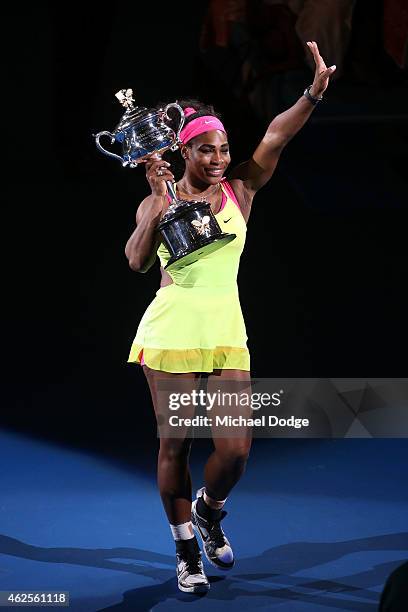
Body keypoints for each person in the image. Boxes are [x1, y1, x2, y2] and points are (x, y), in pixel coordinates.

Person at [125, 41, 336, 594]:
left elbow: (277, 135)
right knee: (175, 444)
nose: (220, 159)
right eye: (208, 152)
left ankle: (209, 509)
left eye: (224, 150)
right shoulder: (159, 197)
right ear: (185, 153)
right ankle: (185, 550)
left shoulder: (240, 190)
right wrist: (158, 210)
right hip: (171, 331)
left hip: (226, 332)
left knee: (236, 451)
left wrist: (312, 93)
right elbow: (136, 260)